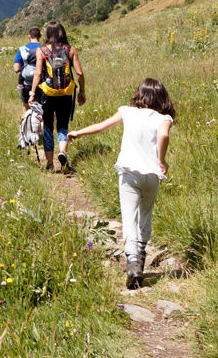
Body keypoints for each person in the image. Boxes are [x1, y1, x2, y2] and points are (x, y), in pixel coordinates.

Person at [68, 78, 175, 289]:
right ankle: (140, 255)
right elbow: (163, 135)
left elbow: (102, 126)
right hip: (152, 176)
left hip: (128, 173)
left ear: (139, 94)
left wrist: (78, 132)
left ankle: (133, 261)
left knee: (129, 218)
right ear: (162, 98)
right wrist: (161, 160)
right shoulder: (164, 118)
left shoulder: (127, 111)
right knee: (145, 216)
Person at [27, 21, 85, 172]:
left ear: (47, 34)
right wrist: (82, 91)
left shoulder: (42, 50)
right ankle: (62, 152)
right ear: (62, 32)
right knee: (62, 125)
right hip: (65, 93)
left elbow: (38, 74)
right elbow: (79, 73)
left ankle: (50, 164)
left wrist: (32, 94)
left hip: (47, 93)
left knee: (47, 126)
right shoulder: (71, 49)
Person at [13, 27, 42, 109]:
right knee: (43, 111)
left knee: (26, 110)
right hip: (42, 84)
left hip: (26, 84)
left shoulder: (22, 49)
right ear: (40, 36)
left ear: (29, 36)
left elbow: (16, 69)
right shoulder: (45, 48)